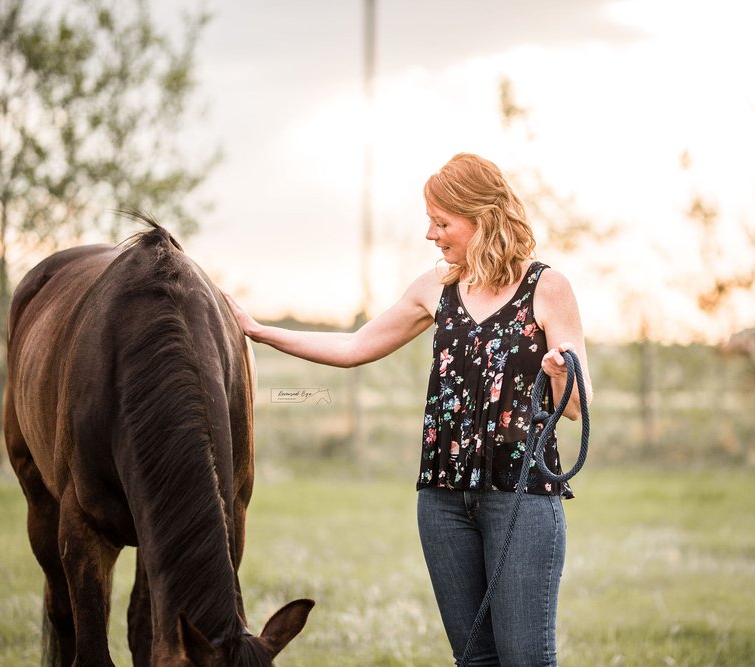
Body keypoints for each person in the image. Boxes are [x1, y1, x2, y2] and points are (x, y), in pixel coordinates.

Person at [226, 152, 593, 666]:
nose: (430, 234)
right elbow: (354, 347)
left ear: (482, 218)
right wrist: (260, 331)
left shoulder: (547, 287)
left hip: (521, 498)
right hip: (442, 504)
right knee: (475, 662)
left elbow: (576, 406)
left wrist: (559, 376)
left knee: (525, 658)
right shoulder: (436, 287)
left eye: (441, 222)